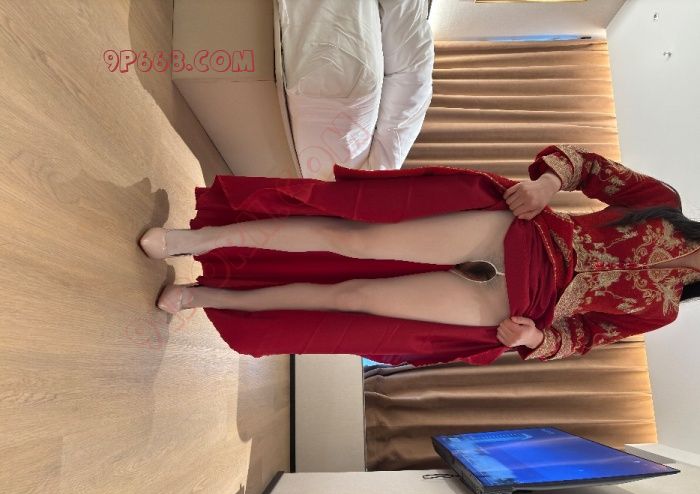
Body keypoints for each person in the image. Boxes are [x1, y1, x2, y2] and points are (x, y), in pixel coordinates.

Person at [138, 145, 700, 367]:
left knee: (354, 298)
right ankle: (195, 241)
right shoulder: (663, 205)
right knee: (353, 239)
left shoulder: (663, 311)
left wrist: (534, 340)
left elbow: (583, 336)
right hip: (521, 233)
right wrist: (547, 184)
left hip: (513, 309)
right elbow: (588, 166)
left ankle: (202, 296)